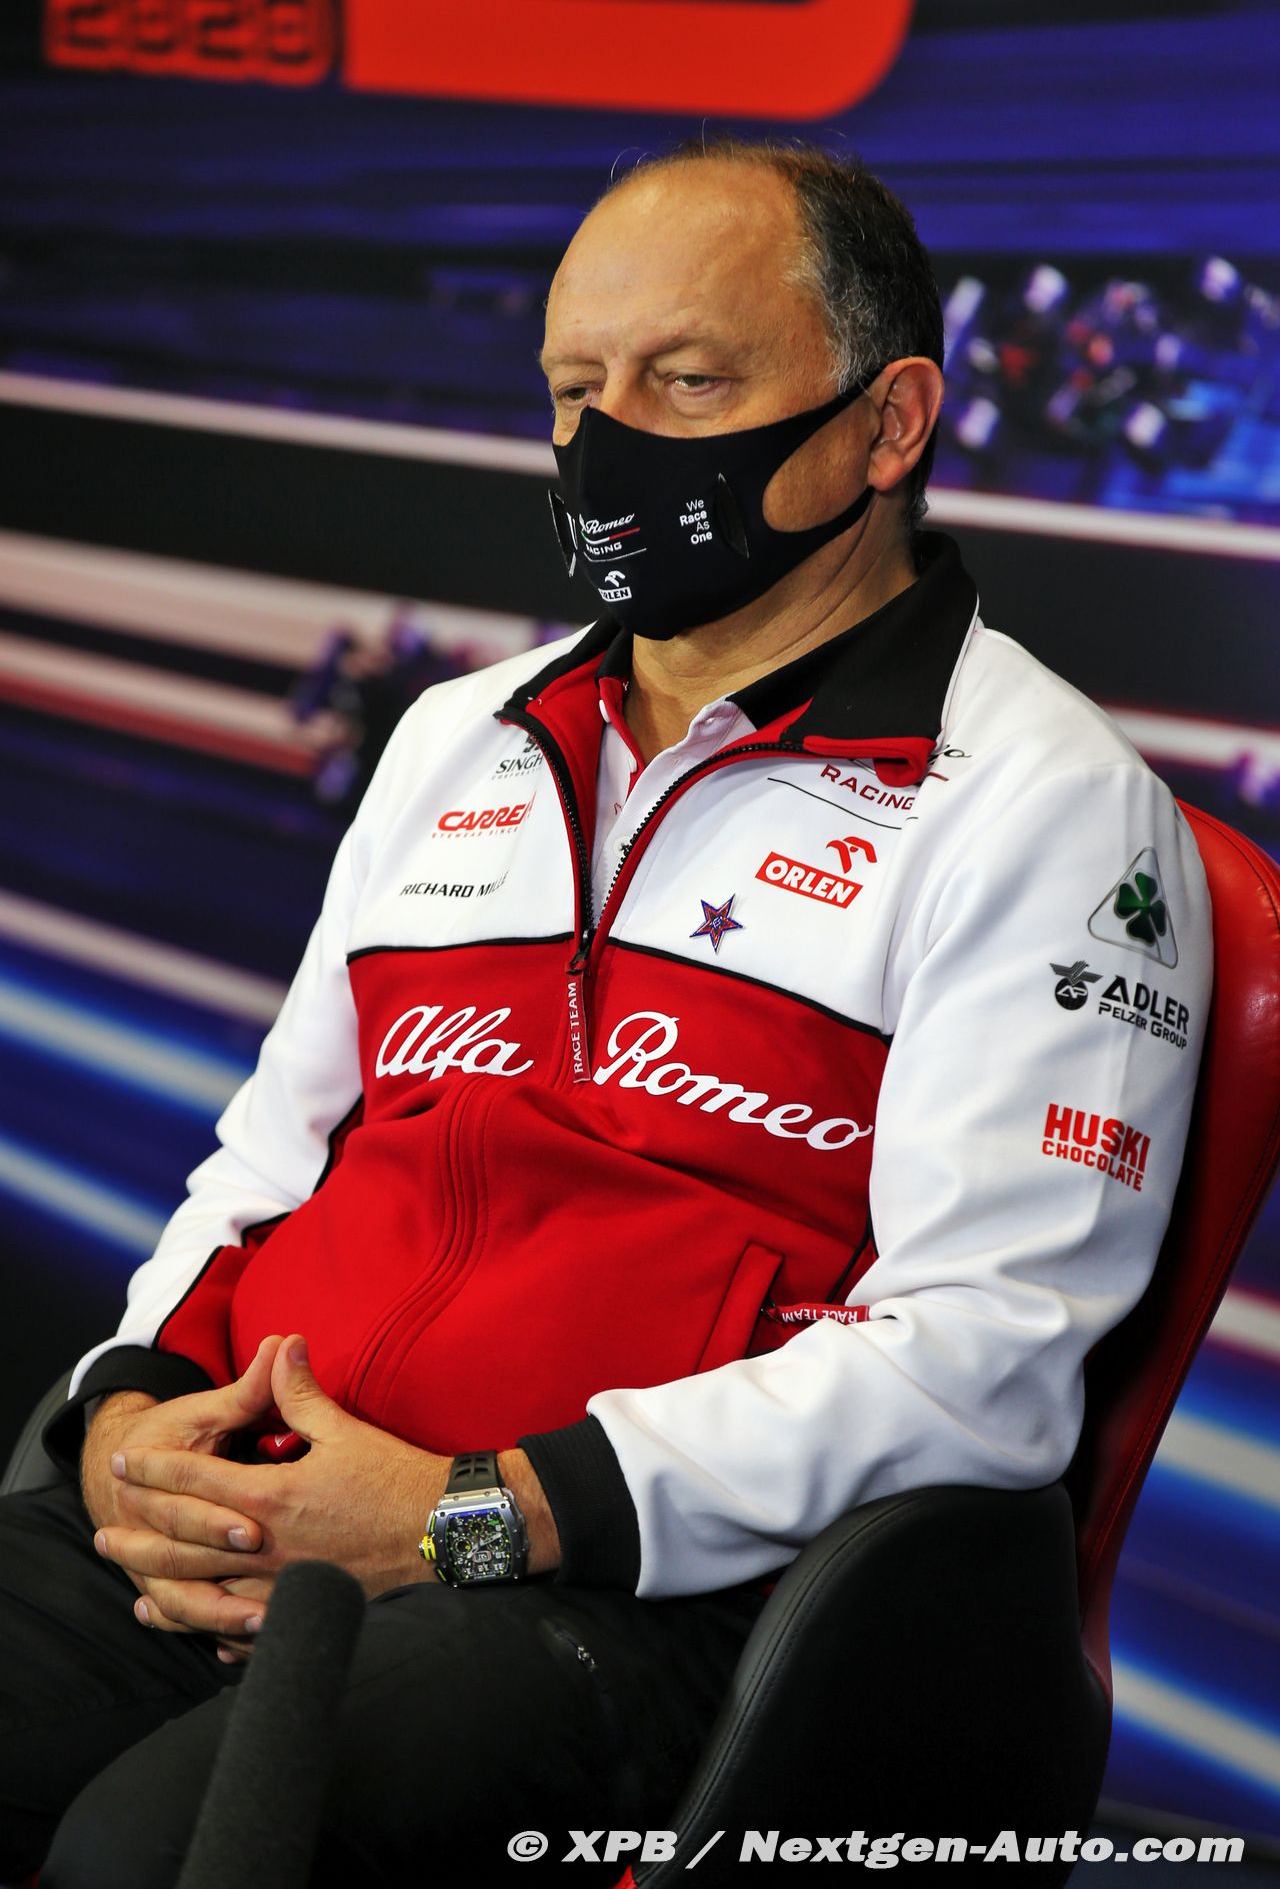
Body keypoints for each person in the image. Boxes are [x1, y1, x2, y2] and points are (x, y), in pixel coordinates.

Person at [0, 141, 1210, 1883]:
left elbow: (984, 1358)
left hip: (634, 1596)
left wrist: (469, 1517)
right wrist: (130, 1422)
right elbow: (263, 1171)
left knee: (160, 1853)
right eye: (576, 390)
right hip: (263, 1512)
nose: (609, 442)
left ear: (890, 423)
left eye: (687, 382)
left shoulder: (1048, 810)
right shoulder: (460, 736)